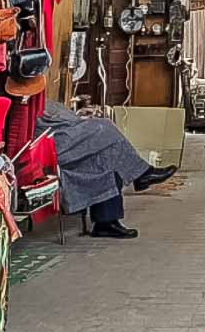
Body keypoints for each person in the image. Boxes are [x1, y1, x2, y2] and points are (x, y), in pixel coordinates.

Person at [36, 102, 177, 238]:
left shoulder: (36, 97)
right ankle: (142, 175)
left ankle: (106, 222)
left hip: (61, 139)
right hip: (50, 148)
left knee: (106, 154)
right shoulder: (23, 103)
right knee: (105, 128)